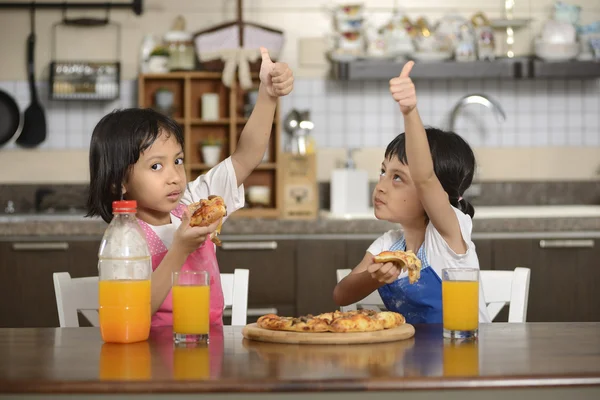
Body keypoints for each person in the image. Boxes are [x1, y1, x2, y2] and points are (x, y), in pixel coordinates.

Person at [87, 47, 294, 327]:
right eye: (156, 166)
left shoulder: (195, 202)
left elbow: (247, 156)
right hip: (151, 358)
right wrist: (179, 250)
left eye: (178, 160)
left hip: (209, 352)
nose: (174, 176)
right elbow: (130, 315)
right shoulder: (125, 239)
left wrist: (268, 96)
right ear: (119, 181)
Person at [333, 61, 490, 324]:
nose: (381, 185)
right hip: (418, 361)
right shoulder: (388, 246)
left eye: (397, 178)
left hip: (466, 356)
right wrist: (374, 276)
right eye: (383, 172)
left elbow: (425, 177)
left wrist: (409, 112)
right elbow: (341, 295)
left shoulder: (447, 236)